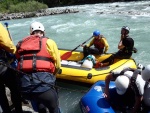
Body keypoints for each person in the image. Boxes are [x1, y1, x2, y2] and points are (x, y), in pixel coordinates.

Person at [15, 22, 61, 113]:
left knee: (39, 104)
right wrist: (53, 75)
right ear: (44, 32)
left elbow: (18, 60)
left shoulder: (20, 44)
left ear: (30, 33)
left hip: (25, 89)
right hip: (44, 88)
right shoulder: (49, 42)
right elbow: (58, 65)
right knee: (54, 108)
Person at [0, 23, 23, 113]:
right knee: (14, 88)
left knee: (0, 93)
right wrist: (14, 51)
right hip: (2, 66)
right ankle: (18, 111)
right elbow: (6, 42)